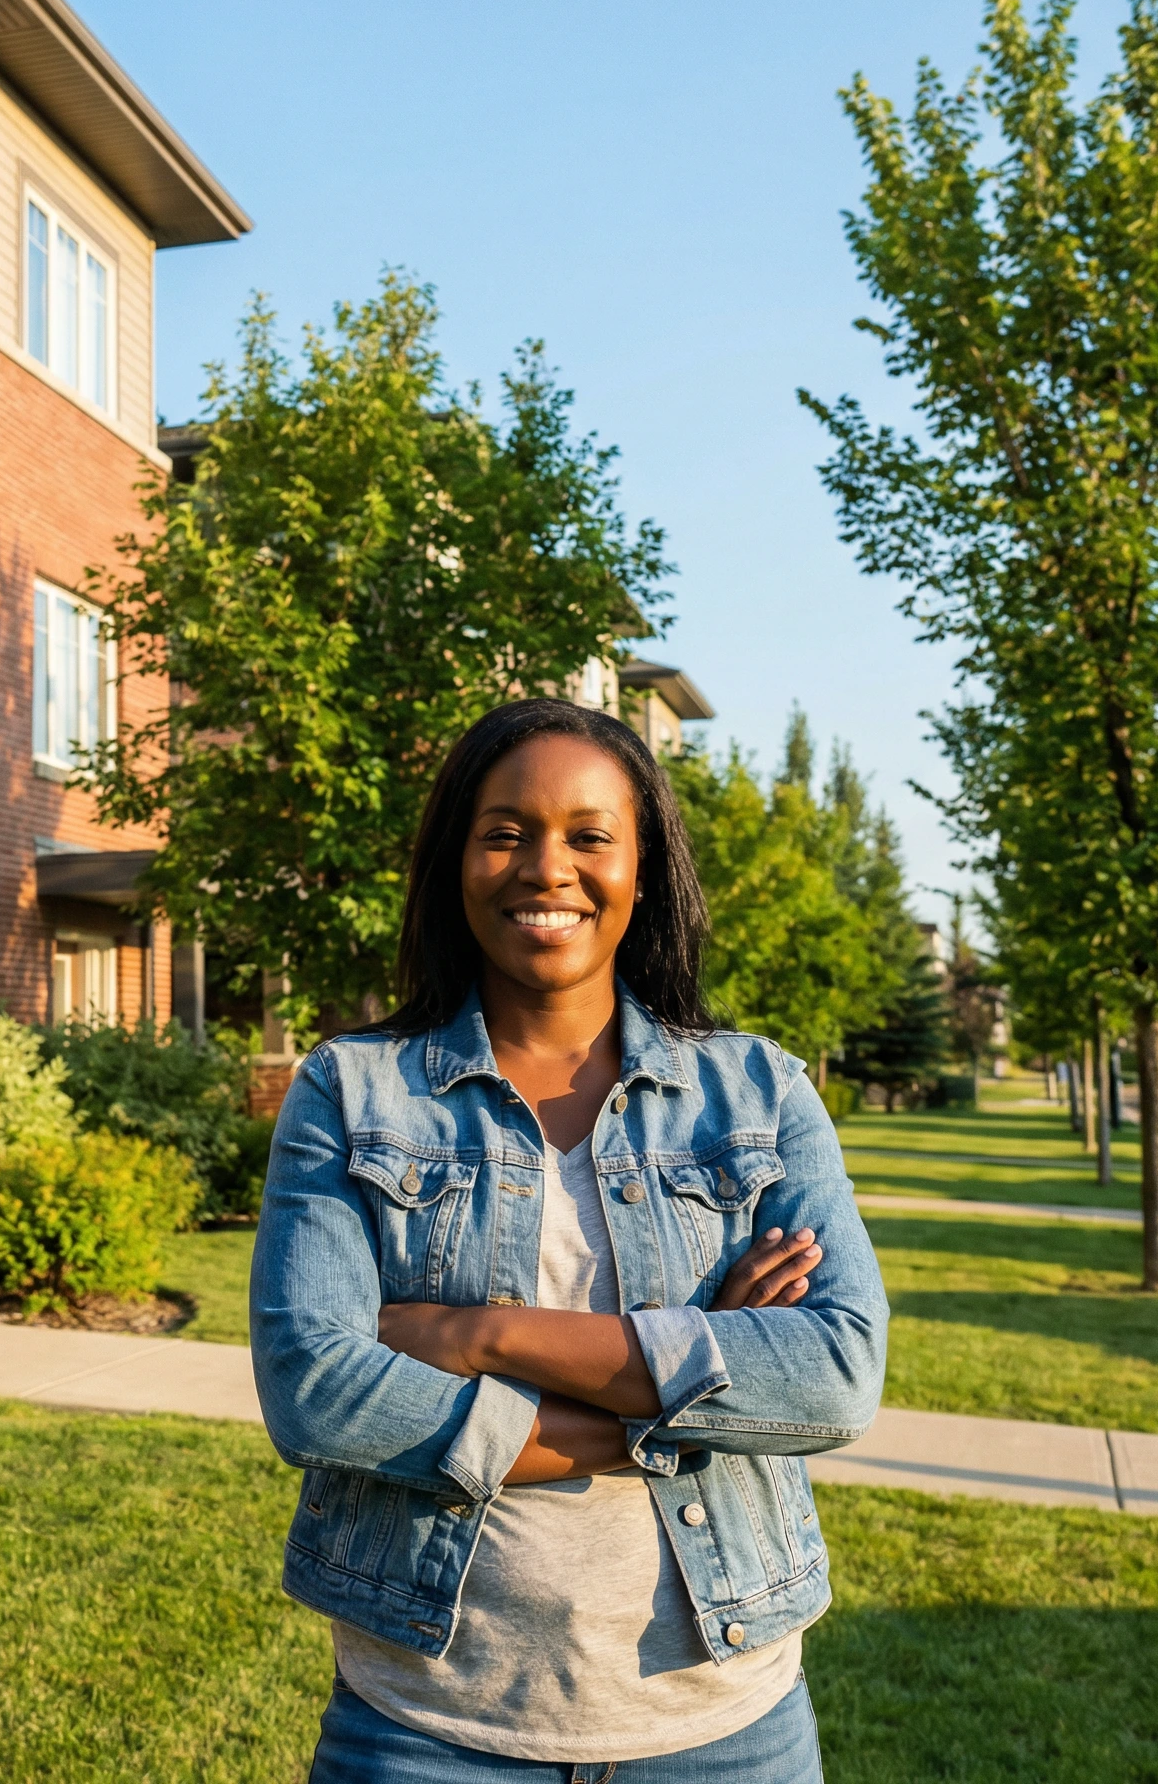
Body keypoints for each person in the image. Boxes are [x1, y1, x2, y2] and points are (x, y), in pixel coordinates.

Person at [250, 697, 887, 1783]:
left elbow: (832, 1375)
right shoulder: (349, 1090)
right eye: (504, 830)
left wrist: (471, 1329)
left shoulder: (755, 1090)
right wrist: (692, 1379)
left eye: (588, 835)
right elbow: (314, 1387)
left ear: (642, 867)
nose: (546, 868)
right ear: (456, 859)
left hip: (722, 1727)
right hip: (423, 1725)